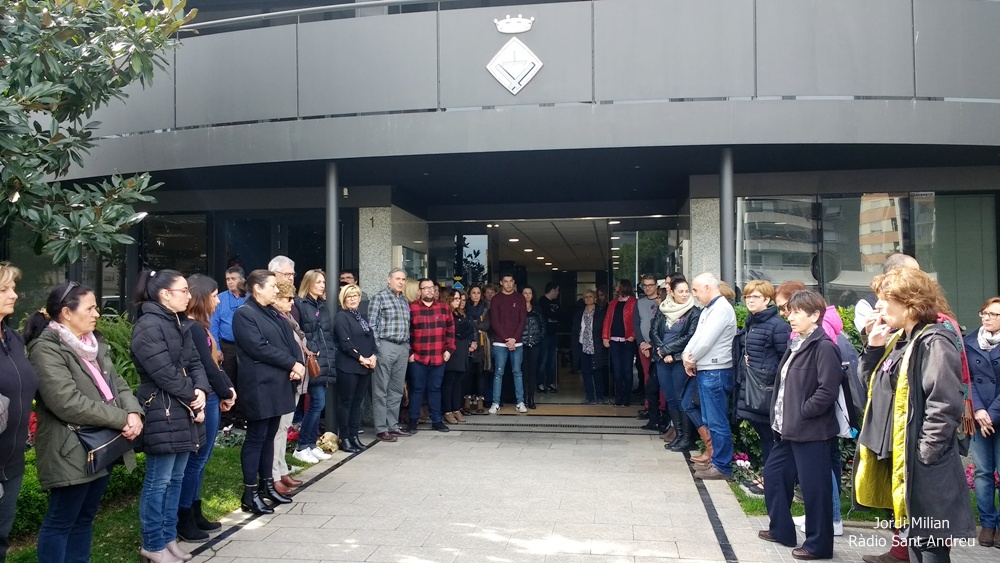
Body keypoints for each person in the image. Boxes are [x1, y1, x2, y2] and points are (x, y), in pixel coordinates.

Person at [854, 268, 976, 563]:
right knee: (915, 544)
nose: (879, 306)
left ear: (909, 301)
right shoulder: (901, 340)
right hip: (904, 459)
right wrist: (873, 348)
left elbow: (944, 403)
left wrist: (926, 453)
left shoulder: (934, 340)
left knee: (930, 547)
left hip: (923, 464)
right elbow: (870, 385)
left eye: (885, 299)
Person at [25, 282, 142, 563]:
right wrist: (121, 418)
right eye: (90, 308)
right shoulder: (46, 349)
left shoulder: (92, 344)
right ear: (66, 312)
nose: (97, 313)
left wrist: (135, 412)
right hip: (70, 448)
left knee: (84, 518)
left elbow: (119, 385)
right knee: (61, 521)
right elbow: (67, 402)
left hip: (99, 444)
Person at [130, 269, 210, 563]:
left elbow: (195, 362)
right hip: (162, 408)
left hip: (182, 408)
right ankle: (152, 543)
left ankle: (168, 538)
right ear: (165, 294)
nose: (189, 295)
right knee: (158, 481)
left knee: (175, 478)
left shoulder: (178, 322)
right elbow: (162, 372)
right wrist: (192, 395)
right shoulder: (149, 325)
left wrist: (201, 389)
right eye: (184, 291)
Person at [757, 290, 841, 561]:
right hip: (788, 430)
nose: (789, 317)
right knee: (773, 474)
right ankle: (781, 529)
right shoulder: (798, 342)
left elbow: (827, 391)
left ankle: (819, 545)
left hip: (812, 432)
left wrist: (803, 412)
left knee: (815, 489)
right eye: (789, 311)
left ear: (814, 315)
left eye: (795, 312)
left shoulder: (824, 346)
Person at [232, 270, 303, 515]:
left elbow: (290, 342)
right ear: (257, 288)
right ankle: (250, 492)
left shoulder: (273, 312)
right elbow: (258, 347)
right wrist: (292, 364)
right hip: (259, 385)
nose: (276, 290)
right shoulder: (245, 314)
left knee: (270, 436)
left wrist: (297, 363)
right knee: (257, 437)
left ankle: (267, 485)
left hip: (279, 383)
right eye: (272, 285)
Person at [177, 275, 237, 542]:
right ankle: (184, 516)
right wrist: (226, 391)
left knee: (202, 460)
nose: (217, 299)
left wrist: (226, 388)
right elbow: (206, 366)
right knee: (196, 460)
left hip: (213, 395)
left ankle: (195, 509)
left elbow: (215, 364)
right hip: (206, 397)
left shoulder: (201, 326)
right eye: (213, 295)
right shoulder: (193, 328)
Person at [734, 280, 790, 496]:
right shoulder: (752, 322)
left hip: (767, 391)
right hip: (752, 389)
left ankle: (771, 481)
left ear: (767, 300)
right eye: (747, 296)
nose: (750, 300)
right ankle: (769, 478)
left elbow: (785, 360)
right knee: (765, 437)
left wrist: (767, 375)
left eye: (755, 297)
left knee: (772, 438)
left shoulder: (778, 326)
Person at [0, 263, 39, 562]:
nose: (14, 294)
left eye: (12, 287)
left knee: (1, 536)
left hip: (11, 461)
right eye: (4, 289)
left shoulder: (11, 338)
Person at [682, 273, 737, 480]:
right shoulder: (710, 309)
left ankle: (722, 466)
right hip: (707, 369)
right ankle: (716, 461)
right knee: (709, 419)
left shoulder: (721, 309)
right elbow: (697, 337)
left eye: (695, 290)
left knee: (716, 421)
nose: (693, 295)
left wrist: (690, 358)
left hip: (716, 370)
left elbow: (706, 341)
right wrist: (686, 356)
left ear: (707, 287)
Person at [650, 277, 701, 452]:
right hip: (662, 360)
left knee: (681, 399)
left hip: (680, 361)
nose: (685, 294)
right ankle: (678, 435)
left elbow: (690, 336)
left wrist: (668, 351)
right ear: (671, 292)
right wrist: (662, 351)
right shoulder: (663, 309)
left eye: (687, 291)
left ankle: (687, 438)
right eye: (681, 291)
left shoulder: (694, 312)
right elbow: (654, 331)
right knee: (670, 398)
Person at [270, 281, 309, 496]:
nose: (292, 302)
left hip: (294, 380)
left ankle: (282, 469)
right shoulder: (276, 319)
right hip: (284, 380)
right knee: (278, 430)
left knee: (284, 429)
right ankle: (275, 474)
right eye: (288, 298)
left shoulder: (288, 319)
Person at [293, 269, 336, 464]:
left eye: (323, 282)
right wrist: (310, 347)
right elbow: (300, 332)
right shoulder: (300, 305)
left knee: (319, 403)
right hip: (312, 359)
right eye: (318, 282)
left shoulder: (322, 305)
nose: (322, 285)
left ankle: (310, 444)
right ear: (308, 282)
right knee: (317, 402)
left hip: (325, 359)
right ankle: (302, 446)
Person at [967, 296, 1000, 548]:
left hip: (996, 415)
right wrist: (978, 411)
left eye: (993, 314)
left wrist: (992, 413)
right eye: (984, 313)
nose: (987, 318)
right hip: (979, 420)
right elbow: (965, 379)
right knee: (983, 473)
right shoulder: (969, 343)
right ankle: (988, 524)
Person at [368, 269, 412, 442]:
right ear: (389, 280)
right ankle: (381, 428)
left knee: (396, 389)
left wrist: (407, 347)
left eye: (403, 279)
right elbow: (372, 326)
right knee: (381, 389)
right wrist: (378, 348)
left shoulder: (404, 301)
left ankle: (393, 425)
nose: (401, 282)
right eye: (397, 279)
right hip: (386, 345)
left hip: (402, 347)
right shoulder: (379, 298)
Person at [407, 279, 455, 432]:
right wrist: (410, 353)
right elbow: (406, 332)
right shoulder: (411, 308)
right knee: (417, 389)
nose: (429, 291)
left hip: (438, 356)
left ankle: (436, 420)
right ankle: (413, 421)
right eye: (425, 288)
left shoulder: (444, 308)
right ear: (419, 291)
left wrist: (449, 350)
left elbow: (450, 332)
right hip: (417, 357)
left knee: (435, 389)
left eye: (431, 288)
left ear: (435, 290)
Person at [333, 284, 376, 453]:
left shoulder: (361, 317)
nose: (352, 299)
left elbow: (371, 338)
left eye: (355, 296)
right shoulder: (341, 317)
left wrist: (373, 355)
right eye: (349, 296)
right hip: (349, 366)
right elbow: (345, 342)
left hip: (365, 367)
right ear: (343, 299)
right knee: (346, 403)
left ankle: (354, 436)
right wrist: (361, 358)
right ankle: (345, 438)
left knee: (357, 403)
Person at [210, 266, 246, 430]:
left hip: (247, 346)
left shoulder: (250, 297)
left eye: (234, 279)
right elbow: (214, 324)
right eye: (228, 279)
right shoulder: (221, 299)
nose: (230, 282)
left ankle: (242, 416)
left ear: (242, 280)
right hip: (227, 345)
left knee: (245, 379)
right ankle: (226, 417)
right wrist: (216, 348)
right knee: (228, 379)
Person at [488, 274, 528, 414]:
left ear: (514, 282)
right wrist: (507, 339)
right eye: (506, 281)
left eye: (511, 281)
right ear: (501, 283)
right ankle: (496, 402)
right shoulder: (496, 299)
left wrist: (514, 339)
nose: (509, 284)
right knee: (498, 373)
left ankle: (520, 402)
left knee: (517, 372)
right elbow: (494, 321)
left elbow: (522, 320)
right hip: (500, 343)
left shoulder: (520, 298)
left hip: (516, 343)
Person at [441, 288, 477, 420]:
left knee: (458, 382)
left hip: (461, 349)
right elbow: (456, 330)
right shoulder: (446, 313)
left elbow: (469, 328)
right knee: (449, 381)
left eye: (460, 299)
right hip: (451, 350)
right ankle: (447, 410)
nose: (459, 301)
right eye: (456, 299)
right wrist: (462, 330)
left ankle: (456, 408)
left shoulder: (460, 314)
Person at [602, 279, 637, 407]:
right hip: (615, 341)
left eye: (617, 286)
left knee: (627, 371)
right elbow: (607, 320)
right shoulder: (612, 303)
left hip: (628, 341)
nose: (616, 288)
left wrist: (633, 335)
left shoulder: (634, 302)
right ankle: (618, 397)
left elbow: (636, 322)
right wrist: (605, 337)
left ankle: (627, 398)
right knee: (617, 371)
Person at [635, 274, 663, 426]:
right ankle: (649, 407)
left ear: (656, 286)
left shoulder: (662, 301)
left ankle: (662, 409)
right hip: (643, 347)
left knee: (660, 379)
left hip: (657, 346)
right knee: (647, 378)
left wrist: (650, 344)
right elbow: (636, 324)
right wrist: (641, 343)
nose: (647, 288)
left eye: (650, 285)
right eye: (644, 285)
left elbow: (661, 327)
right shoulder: (639, 302)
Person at [572, 290, 608, 404]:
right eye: (586, 297)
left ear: (595, 298)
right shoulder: (579, 314)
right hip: (583, 345)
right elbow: (575, 330)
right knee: (586, 372)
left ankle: (600, 396)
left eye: (591, 296)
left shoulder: (601, 313)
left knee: (597, 371)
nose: (588, 299)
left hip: (596, 345)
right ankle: (589, 396)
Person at [464, 285, 491, 413]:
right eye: (473, 293)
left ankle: (480, 400)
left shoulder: (485, 308)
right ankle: (467, 401)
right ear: (469, 294)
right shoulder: (464, 308)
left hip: (481, 344)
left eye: (478, 293)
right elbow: (465, 324)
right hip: (467, 344)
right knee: (468, 373)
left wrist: (474, 325)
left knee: (480, 373)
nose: (476, 295)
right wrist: (475, 327)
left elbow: (486, 324)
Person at [521, 286, 544, 410]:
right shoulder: (518, 309)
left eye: (529, 293)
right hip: (522, 344)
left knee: (532, 372)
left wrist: (539, 338)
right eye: (525, 293)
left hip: (535, 344)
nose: (527, 295)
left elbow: (543, 325)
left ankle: (531, 398)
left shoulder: (537, 309)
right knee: (523, 372)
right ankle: (523, 398)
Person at [537, 281, 560, 393]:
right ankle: (540, 383)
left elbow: (560, 315)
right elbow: (547, 315)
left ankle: (550, 383)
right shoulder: (542, 301)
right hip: (545, 335)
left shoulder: (556, 302)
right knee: (544, 360)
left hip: (554, 334)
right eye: (557, 290)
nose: (558, 293)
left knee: (552, 361)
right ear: (553, 290)